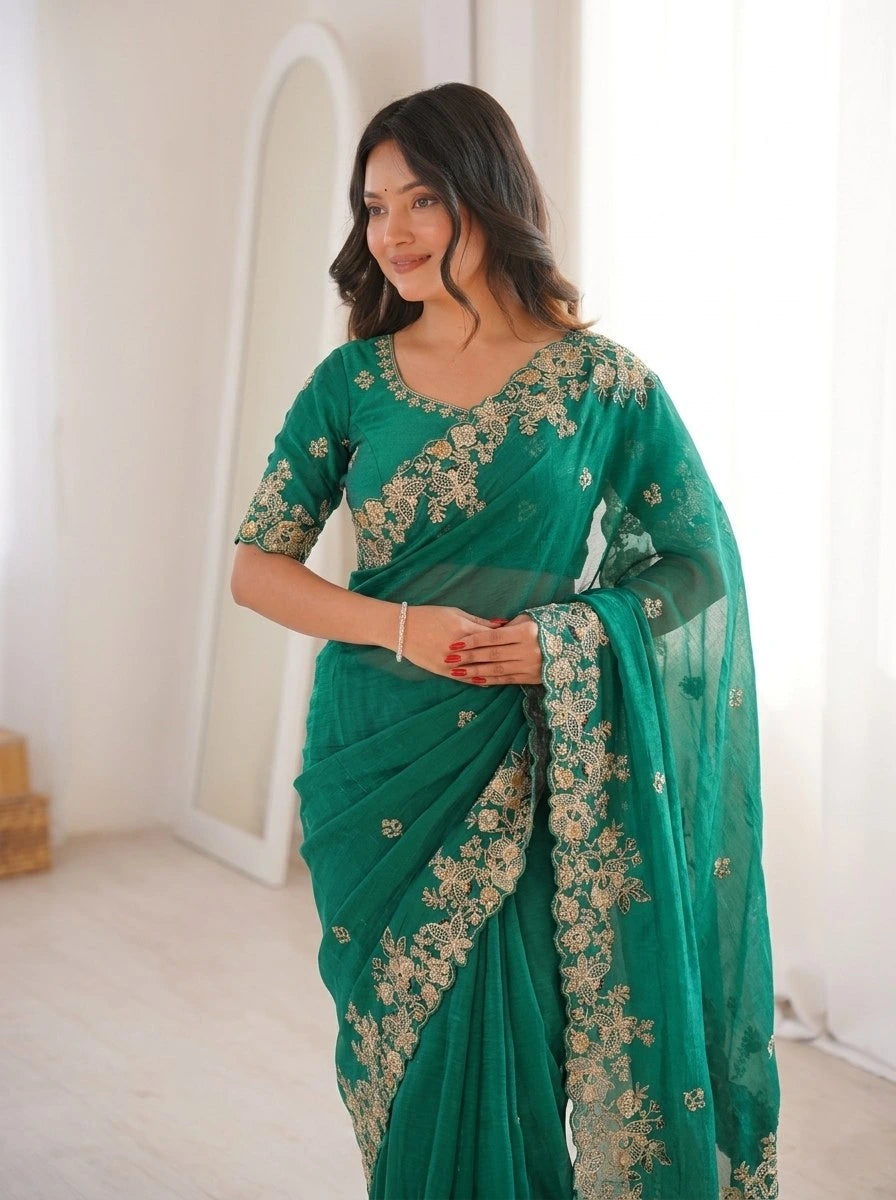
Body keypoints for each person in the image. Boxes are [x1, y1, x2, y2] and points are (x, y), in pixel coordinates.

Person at [230, 82, 780, 1200]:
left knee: (516, 1046)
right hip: (375, 752)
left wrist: (568, 641)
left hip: (528, 757)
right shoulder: (351, 384)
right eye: (373, 206)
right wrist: (400, 625)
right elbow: (256, 568)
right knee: (408, 1066)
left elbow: (698, 563)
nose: (391, 233)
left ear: (485, 195)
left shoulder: (604, 385)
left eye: (421, 200)